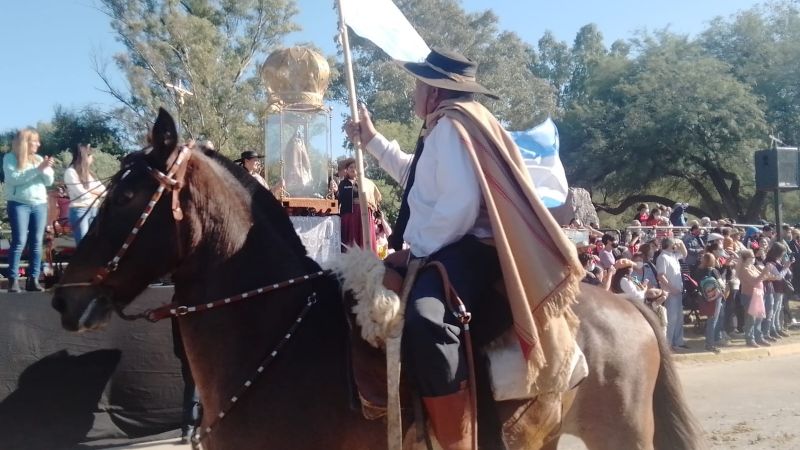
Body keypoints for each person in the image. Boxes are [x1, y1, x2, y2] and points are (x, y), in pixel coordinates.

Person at [345, 48, 582, 449]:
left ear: (435, 91)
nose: (415, 93)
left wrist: (416, 254)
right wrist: (372, 141)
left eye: (419, 85)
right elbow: (419, 180)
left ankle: (459, 439)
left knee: (427, 319)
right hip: (448, 246)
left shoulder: (453, 127)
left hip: (467, 249)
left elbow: (460, 205)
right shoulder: (447, 126)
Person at [3, 129, 54, 292]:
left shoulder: (38, 159)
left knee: (37, 243)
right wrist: (38, 170)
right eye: (35, 141)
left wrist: (46, 168)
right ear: (25, 142)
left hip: (39, 204)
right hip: (19, 204)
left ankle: (34, 279)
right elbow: (14, 179)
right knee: (19, 241)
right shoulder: (10, 158)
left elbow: (49, 181)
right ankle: (13, 280)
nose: (39, 144)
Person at [336, 158, 381, 253]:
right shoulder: (342, 184)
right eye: (351, 167)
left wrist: (378, 216)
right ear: (347, 170)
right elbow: (337, 200)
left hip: (365, 214)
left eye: (356, 167)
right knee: (350, 240)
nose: (353, 169)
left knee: (365, 239)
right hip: (348, 215)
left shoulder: (368, 183)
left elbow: (375, 200)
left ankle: (368, 259)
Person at [63, 144, 106, 243]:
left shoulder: (90, 174)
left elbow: (104, 191)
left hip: (94, 209)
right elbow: (81, 194)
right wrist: (95, 193)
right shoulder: (71, 172)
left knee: (94, 243)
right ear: (84, 157)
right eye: (90, 156)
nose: (92, 159)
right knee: (83, 243)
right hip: (80, 210)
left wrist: (89, 190)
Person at [656, 238, 688, 352]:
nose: (676, 245)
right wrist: (671, 288)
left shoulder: (673, 256)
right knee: (671, 319)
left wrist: (681, 243)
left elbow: (684, 253)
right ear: (669, 245)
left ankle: (678, 342)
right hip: (670, 292)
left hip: (678, 291)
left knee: (679, 318)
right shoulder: (662, 257)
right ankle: (668, 344)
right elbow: (661, 275)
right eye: (674, 244)